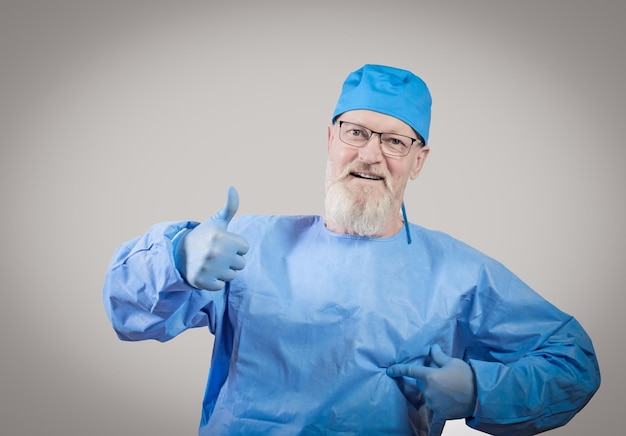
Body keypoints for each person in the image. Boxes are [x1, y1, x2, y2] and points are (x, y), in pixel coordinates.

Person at [103, 64, 600, 435]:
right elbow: (128, 314)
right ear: (330, 139)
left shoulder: (457, 273)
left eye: (394, 142)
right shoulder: (247, 246)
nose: (369, 155)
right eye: (356, 133)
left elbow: (572, 362)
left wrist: (477, 390)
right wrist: (174, 258)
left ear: (419, 160)